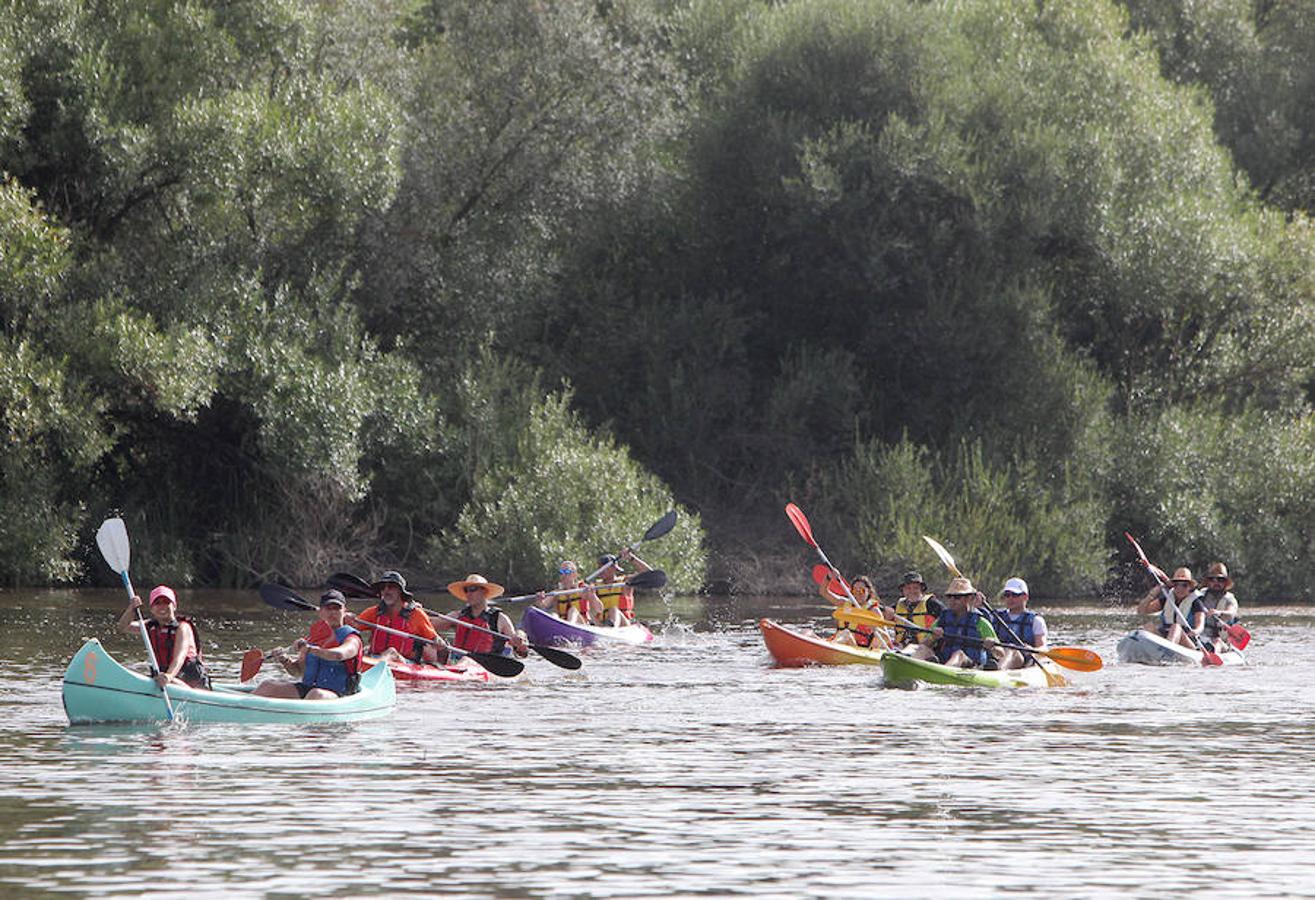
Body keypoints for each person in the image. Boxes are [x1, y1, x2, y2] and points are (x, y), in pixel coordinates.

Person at [254, 590, 364, 699]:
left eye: (337, 608)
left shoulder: (352, 638)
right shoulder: (314, 637)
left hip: (339, 693)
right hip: (309, 689)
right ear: (321, 612)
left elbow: (339, 655)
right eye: (328, 608)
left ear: (344, 611)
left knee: (316, 694)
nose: (332, 612)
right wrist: (284, 660)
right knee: (267, 686)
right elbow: (298, 672)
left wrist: (310, 649)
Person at [117, 584, 211, 689]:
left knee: (166, 681)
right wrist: (131, 609)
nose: (162, 606)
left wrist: (168, 677)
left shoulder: (182, 628)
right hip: (164, 679)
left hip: (189, 682)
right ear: (152, 609)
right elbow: (123, 627)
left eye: (166, 602)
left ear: (174, 606)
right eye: (157, 603)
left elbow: (179, 658)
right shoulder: (150, 626)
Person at [349, 570, 451, 665]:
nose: (386, 591)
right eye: (383, 588)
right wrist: (347, 618)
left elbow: (435, 641)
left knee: (392, 652)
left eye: (391, 587)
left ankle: (375, 666)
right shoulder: (373, 612)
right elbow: (353, 626)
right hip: (374, 658)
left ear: (400, 592)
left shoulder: (417, 615)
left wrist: (439, 643)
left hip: (405, 663)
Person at [906, 577, 998, 668]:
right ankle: (909, 668)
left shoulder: (980, 622)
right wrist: (933, 637)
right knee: (922, 649)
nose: (952, 600)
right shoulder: (942, 619)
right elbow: (924, 643)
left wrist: (992, 646)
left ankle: (942, 672)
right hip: (945, 661)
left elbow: (1000, 653)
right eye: (949, 596)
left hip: (970, 665)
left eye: (957, 597)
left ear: (968, 598)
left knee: (959, 654)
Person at [440, 574, 529, 658]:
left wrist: (520, 638)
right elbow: (434, 623)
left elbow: (517, 644)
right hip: (458, 662)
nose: (468, 594)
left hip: (487, 664)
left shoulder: (500, 619)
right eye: (466, 590)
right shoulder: (457, 616)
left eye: (473, 589)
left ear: (484, 591)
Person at [1136, 566, 1205, 649]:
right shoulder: (1167, 599)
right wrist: (1152, 595)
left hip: (1187, 641)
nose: (1180, 588)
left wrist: (1196, 631)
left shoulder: (1196, 603)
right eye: (1176, 585)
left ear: (1190, 587)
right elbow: (1141, 611)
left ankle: (1167, 650)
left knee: (1176, 627)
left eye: (1184, 585)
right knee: (1148, 626)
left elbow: (1200, 626)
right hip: (1166, 636)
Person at [986, 577, 1046, 670]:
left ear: (1025, 597)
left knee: (1012, 649)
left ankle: (999, 670)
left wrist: (1032, 650)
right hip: (998, 655)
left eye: (1015, 595)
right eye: (1007, 595)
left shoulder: (1036, 620)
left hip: (1023, 661)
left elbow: (1043, 648)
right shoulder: (995, 617)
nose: (1010, 598)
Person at [884, 571, 944, 649]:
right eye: (908, 588)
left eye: (916, 588)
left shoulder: (931, 603)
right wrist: (886, 614)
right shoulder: (897, 605)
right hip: (901, 647)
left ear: (921, 589)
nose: (912, 591)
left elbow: (947, 616)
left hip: (925, 647)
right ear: (903, 590)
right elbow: (883, 617)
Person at [594, 549, 653, 628]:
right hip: (603, 624)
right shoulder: (595, 586)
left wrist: (631, 558)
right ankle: (606, 627)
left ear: (614, 568)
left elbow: (650, 574)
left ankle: (611, 627)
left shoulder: (625, 582)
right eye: (599, 568)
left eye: (604, 568)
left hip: (624, 624)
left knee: (614, 610)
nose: (601, 571)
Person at [821, 574, 884, 648]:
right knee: (809, 633)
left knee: (846, 633)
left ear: (869, 591)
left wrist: (874, 628)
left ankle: (831, 646)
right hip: (838, 641)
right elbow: (824, 592)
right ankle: (829, 645)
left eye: (862, 590)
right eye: (855, 591)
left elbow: (884, 636)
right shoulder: (843, 603)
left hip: (859, 649)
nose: (858, 594)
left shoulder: (874, 611)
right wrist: (829, 577)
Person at [536, 560, 600, 624]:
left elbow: (599, 609)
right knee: (553, 615)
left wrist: (593, 595)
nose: (564, 575)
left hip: (582, 625)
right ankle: (560, 627)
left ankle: (569, 626)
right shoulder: (557, 592)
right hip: (562, 625)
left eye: (567, 572)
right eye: (562, 572)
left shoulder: (583, 590)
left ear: (575, 575)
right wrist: (540, 600)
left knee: (573, 611)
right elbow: (543, 605)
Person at [1196, 562, 1240, 651]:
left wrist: (1219, 613)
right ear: (1208, 582)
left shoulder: (1230, 599)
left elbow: (1231, 613)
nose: (1216, 582)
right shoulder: (1200, 595)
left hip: (1220, 641)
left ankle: (1214, 653)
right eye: (1212, 579)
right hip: (1199, 637)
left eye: (1220, 580)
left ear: (1225, 583)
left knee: (1217, 641)